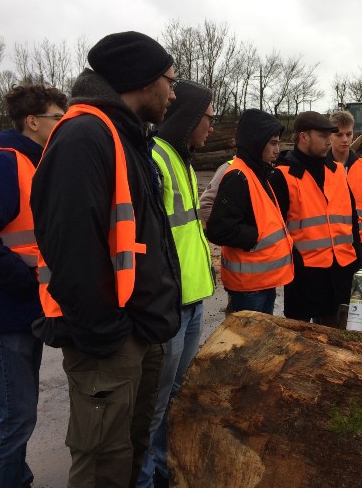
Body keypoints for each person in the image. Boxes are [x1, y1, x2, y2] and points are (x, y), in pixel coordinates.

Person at [30, 31, 181, 488]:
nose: (173, 93)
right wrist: (107, 334)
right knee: (102, 466)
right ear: (141, 80)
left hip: (132, 331)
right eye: (168, 81)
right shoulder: (84, 135)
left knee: (126, 457)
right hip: (108, 341)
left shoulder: (124, 136)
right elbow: (72, 250)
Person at [0, 84, 67, 488]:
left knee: (21, 412)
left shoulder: (32, 162)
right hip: (3, 307)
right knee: (17, 416)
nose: (62, 125)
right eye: (57, 117)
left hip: (22, 306)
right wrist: (24, 282)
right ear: (32, 121)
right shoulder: (5, 162)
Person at [137, 80, 216, 488]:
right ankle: (148, 479)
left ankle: (168, 471)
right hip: (171, 307)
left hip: (191, 300)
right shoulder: (155, 159)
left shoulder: (181, 159)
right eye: (208, 118)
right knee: (155, 404)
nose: (212, 128)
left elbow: (186, 232)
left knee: (177, 398)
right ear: (188, 118)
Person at [269, 111, 359, 325]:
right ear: (303, 137)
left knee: (337, 341)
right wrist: (294, 262)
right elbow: (276, 229)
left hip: (340, 271)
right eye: (323, 136)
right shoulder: (283, 175)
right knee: (301, 342)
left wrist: (359, 255)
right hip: (304, 276)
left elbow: (352, 217)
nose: (329, 141)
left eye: (330, 135)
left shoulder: (337, 171)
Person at [207, 109, 293, 314]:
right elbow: (218, 229)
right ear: (256, 141)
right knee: (246, 344)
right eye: (273, 143)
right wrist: (255, 236)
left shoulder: (258, 172)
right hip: (248, 287)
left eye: (278, 143)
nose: (277, 150)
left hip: (262, 281)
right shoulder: (238, 176)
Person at [328, 110, 362, 268]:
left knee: (357, 293)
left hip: (358, 245)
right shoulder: (319, 167)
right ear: (330, 135)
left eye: (349, 134)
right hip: (329, 248)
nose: (345, 139)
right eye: (339, 135)